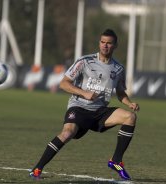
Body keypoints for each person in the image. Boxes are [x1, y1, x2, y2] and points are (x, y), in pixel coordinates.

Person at [29, 29, 139, 181]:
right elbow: (63, 84)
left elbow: (120, 92)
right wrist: (84, 93)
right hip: (79, 107)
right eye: (102, 42)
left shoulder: (118, 68)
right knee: (67, 133)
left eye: (109, 43)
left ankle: (115, 161)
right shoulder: (85, 61)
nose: (105, 46)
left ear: (115, 45)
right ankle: (37, 169)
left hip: (100, 111)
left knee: (130, 117)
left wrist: (129, 103)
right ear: (99, 43)